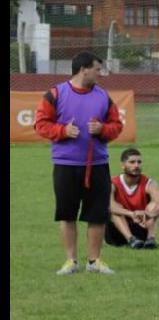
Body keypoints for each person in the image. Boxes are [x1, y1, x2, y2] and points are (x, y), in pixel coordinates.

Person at [34, 52, 123, 275]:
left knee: (97, 214)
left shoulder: (103, 96)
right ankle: (71, 261)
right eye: (97, 69)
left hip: (98, 164)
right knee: (67, 214)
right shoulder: (55, 94)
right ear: (84, 69)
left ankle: (94, 261)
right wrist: (62, 131)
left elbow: (117, 126)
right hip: (66, 164)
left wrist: (103, 129)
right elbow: (40, 124)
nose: (100, 74)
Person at [105, 148, 159, 249]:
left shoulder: (149, 183)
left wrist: (148, 214)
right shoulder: (112, 183)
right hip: (116, 232)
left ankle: (150, 239)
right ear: (123, 165)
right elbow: (109, 207)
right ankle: (131, 239)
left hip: (141, 228)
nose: (136, 165)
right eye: (132, 162)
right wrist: (131, 214)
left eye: (139, 162)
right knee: (116, 208)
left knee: (154, 206)